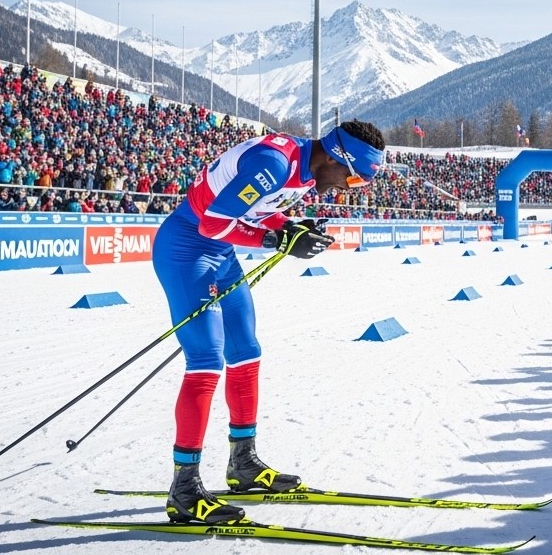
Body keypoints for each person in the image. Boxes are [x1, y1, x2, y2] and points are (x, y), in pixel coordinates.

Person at [153, 120, 386, 524]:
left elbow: (255, 212)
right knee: (206, 361)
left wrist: (288, 228)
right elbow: (211, 222)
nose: (351, 188)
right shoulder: (274, 163)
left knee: (245, 352)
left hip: (222, 252)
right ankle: (184, 490)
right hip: (188, 249)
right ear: (335, 156)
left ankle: (243, 463)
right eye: (355, 178)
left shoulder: (304, 171)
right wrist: (277, 240)